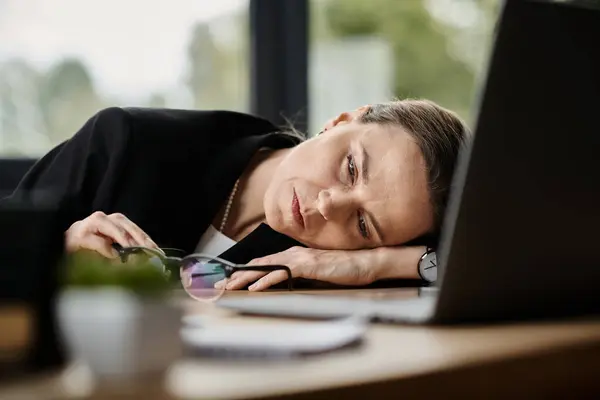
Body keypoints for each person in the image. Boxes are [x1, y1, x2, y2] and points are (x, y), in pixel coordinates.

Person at [4, 99, 468, 290]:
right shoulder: (128, 143)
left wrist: (375, 263)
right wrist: (57, 248)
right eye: (351, 168)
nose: (330, 206)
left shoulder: (322, 264)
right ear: (343, 121)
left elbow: (503, 267)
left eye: (364, 225)